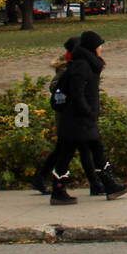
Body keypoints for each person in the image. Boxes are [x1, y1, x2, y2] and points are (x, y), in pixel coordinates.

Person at [47, 30, 127, 205]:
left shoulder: (86, 63)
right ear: (93, 47)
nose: (101, 48)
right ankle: (61, 190)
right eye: (99, 45)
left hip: (81, 119)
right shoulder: (81, 65)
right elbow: (77, 93)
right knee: (76, 151)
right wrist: (88, 111)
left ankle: (107, 185)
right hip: (78, 119)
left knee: (81, 151)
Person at [29, 37, 98, 195]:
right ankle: (95, 184)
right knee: (82, 148)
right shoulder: (67, 67)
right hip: (67, 115)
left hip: (72, 114)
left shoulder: (77, 64)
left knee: (65, 149)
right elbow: (55, 86)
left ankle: (41, 178)